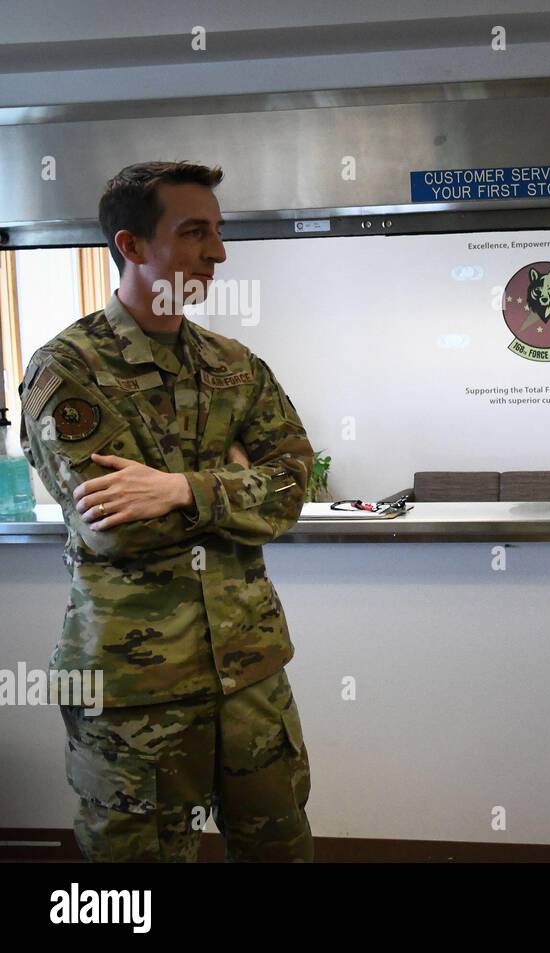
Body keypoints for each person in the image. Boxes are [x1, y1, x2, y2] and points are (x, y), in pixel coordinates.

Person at [19, 161, 314, 862]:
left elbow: (294, 486)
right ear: (131, 244)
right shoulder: (69, 369)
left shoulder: (235, 364)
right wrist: (236, 476)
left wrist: (181, 488)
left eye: (217, 232)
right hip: (132, 691)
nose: (217, 252)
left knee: (279, 850)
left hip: (249, 673)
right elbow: (117, 527)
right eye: (194, 232)